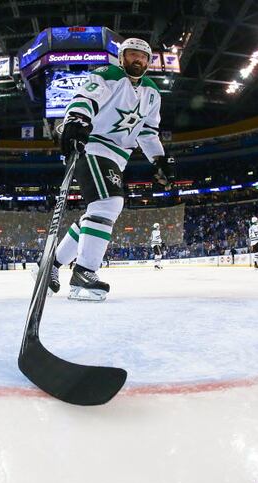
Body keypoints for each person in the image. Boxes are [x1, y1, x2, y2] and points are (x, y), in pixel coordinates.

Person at [50, 37, 175, 300]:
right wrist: (76, 120)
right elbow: (85, 97)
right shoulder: (109, 74)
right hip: (94, 146)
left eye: (143, 57)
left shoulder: (152, 92)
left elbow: (149, 132)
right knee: (109, 202)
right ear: (122, 58)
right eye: (132, 55)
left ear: (149, 62)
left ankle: (51, 263)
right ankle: (84, 272)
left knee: (95, 212)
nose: (137, 60)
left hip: (118, 157)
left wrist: (159, 161)